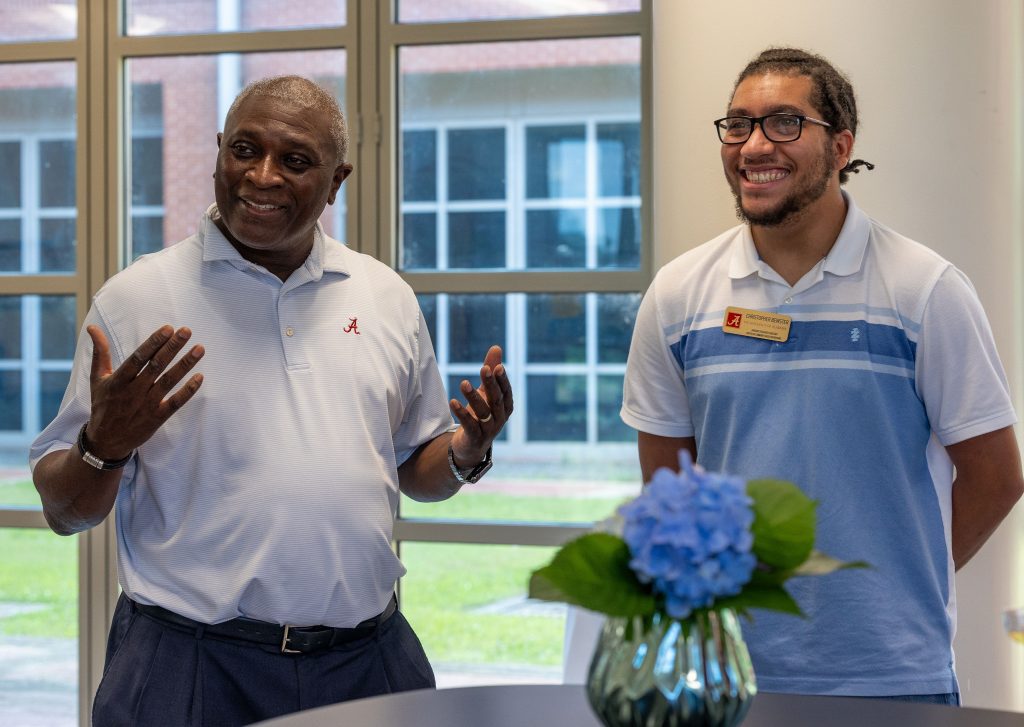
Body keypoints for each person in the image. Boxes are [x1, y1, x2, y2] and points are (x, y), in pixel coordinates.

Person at [30, 75, 513, 726]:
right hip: (191, 668)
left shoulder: (383, 296)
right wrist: (102, 447)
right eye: (244, 149)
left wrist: (464, 452)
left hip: (369, 661)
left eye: (294, 160)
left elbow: (412, 468)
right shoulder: (137, 300)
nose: (262, 176)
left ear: (337, 180)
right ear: (218, 154)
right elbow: (64, 511)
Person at [620, 47, 1023, 703]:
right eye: (738, 124)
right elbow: (670, 488)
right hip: (727, 674)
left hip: (895, 678)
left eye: (784, 123)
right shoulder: (678, 295)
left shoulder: (925, 289)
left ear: (841, 146)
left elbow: (997, 475)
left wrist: (898, 575)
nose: (753, 145)